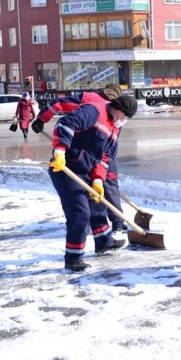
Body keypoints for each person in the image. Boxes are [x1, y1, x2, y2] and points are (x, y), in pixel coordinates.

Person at [48, 94, 138, 272]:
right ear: (118, 109)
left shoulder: (115, 127)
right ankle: (73, 258)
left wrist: (98, 179)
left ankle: (104, 241)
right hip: (65, 169)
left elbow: (106, 157)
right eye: (125, 116)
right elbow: (65, 124)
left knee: (97, 207)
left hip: (87, 171)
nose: (125, 120)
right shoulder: (94, 111)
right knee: (80, 215)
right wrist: (60, 151)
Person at [32, 84, 128, 232]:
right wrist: (60, 148)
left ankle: (107, 226)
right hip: (87, 152)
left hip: (90, 153)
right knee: (103, 187)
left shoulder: (96, 102)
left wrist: (41, 119)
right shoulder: (102, 107)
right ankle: (113, 223)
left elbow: (57, 104)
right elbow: (64, 115)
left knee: (97, 187)